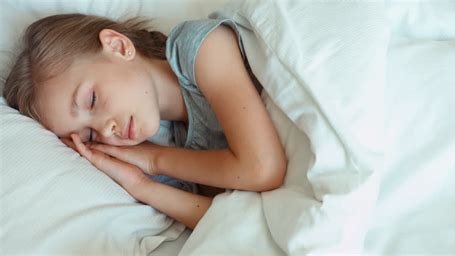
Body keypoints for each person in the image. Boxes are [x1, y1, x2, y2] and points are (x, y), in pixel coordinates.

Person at [3, 13, 287, 229]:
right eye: (89, 135)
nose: (104, 129)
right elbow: (227, 223)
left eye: (91, 100)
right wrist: (141, 185)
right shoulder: (169, 147)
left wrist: (155, 161)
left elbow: (263, 169)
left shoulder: (199, 49)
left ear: (118, 46)